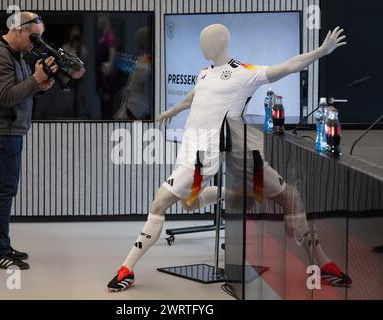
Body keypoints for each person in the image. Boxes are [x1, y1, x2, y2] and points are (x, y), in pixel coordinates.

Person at [107, 24, 351, 291]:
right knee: (187, 203)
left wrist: (321, 51)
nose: (202, 45)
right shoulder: (204, 73)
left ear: (222, 42)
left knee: (289, 197)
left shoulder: (244, 73)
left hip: (228, 149)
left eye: (206, 40)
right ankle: (227, 194)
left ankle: (126, 269)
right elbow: (195, 95)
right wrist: (173, 110)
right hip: (193, 149)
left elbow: (288, 65)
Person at [0, 11, 57, 270]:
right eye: (35, 37)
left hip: (8, 130)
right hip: (0, 132)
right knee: (3, 191)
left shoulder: (14, 55)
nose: (37, 44)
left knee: (6, 190)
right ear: (19, 29)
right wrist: (35, 80)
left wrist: (39, 86)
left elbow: (21, 91)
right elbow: (6, 97)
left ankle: (0, 244)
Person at [95, 15, 117, 120]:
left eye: (99, 18)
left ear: (105, 18)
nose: (97, 21)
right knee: (104, 108)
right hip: (101, 79)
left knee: (107, 110)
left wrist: (111, 63)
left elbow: (112, 51)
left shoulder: (109, 35)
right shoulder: (103, 35)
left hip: (106, 80)